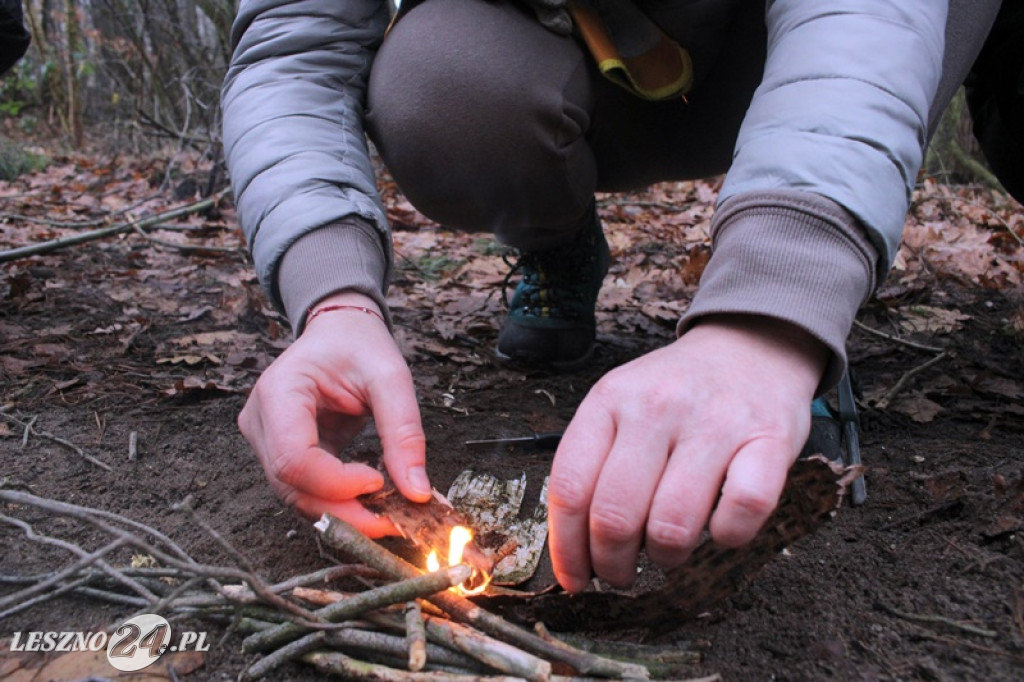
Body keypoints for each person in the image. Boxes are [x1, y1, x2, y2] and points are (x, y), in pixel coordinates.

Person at [222, 0, 1003, 593]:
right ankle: (558, 243)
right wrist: (332, 299)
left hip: (817, 35)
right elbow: (293, 43)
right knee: (438, 81)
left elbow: (870, 21)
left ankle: (808, 331)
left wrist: (773, 310)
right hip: (594, 60)